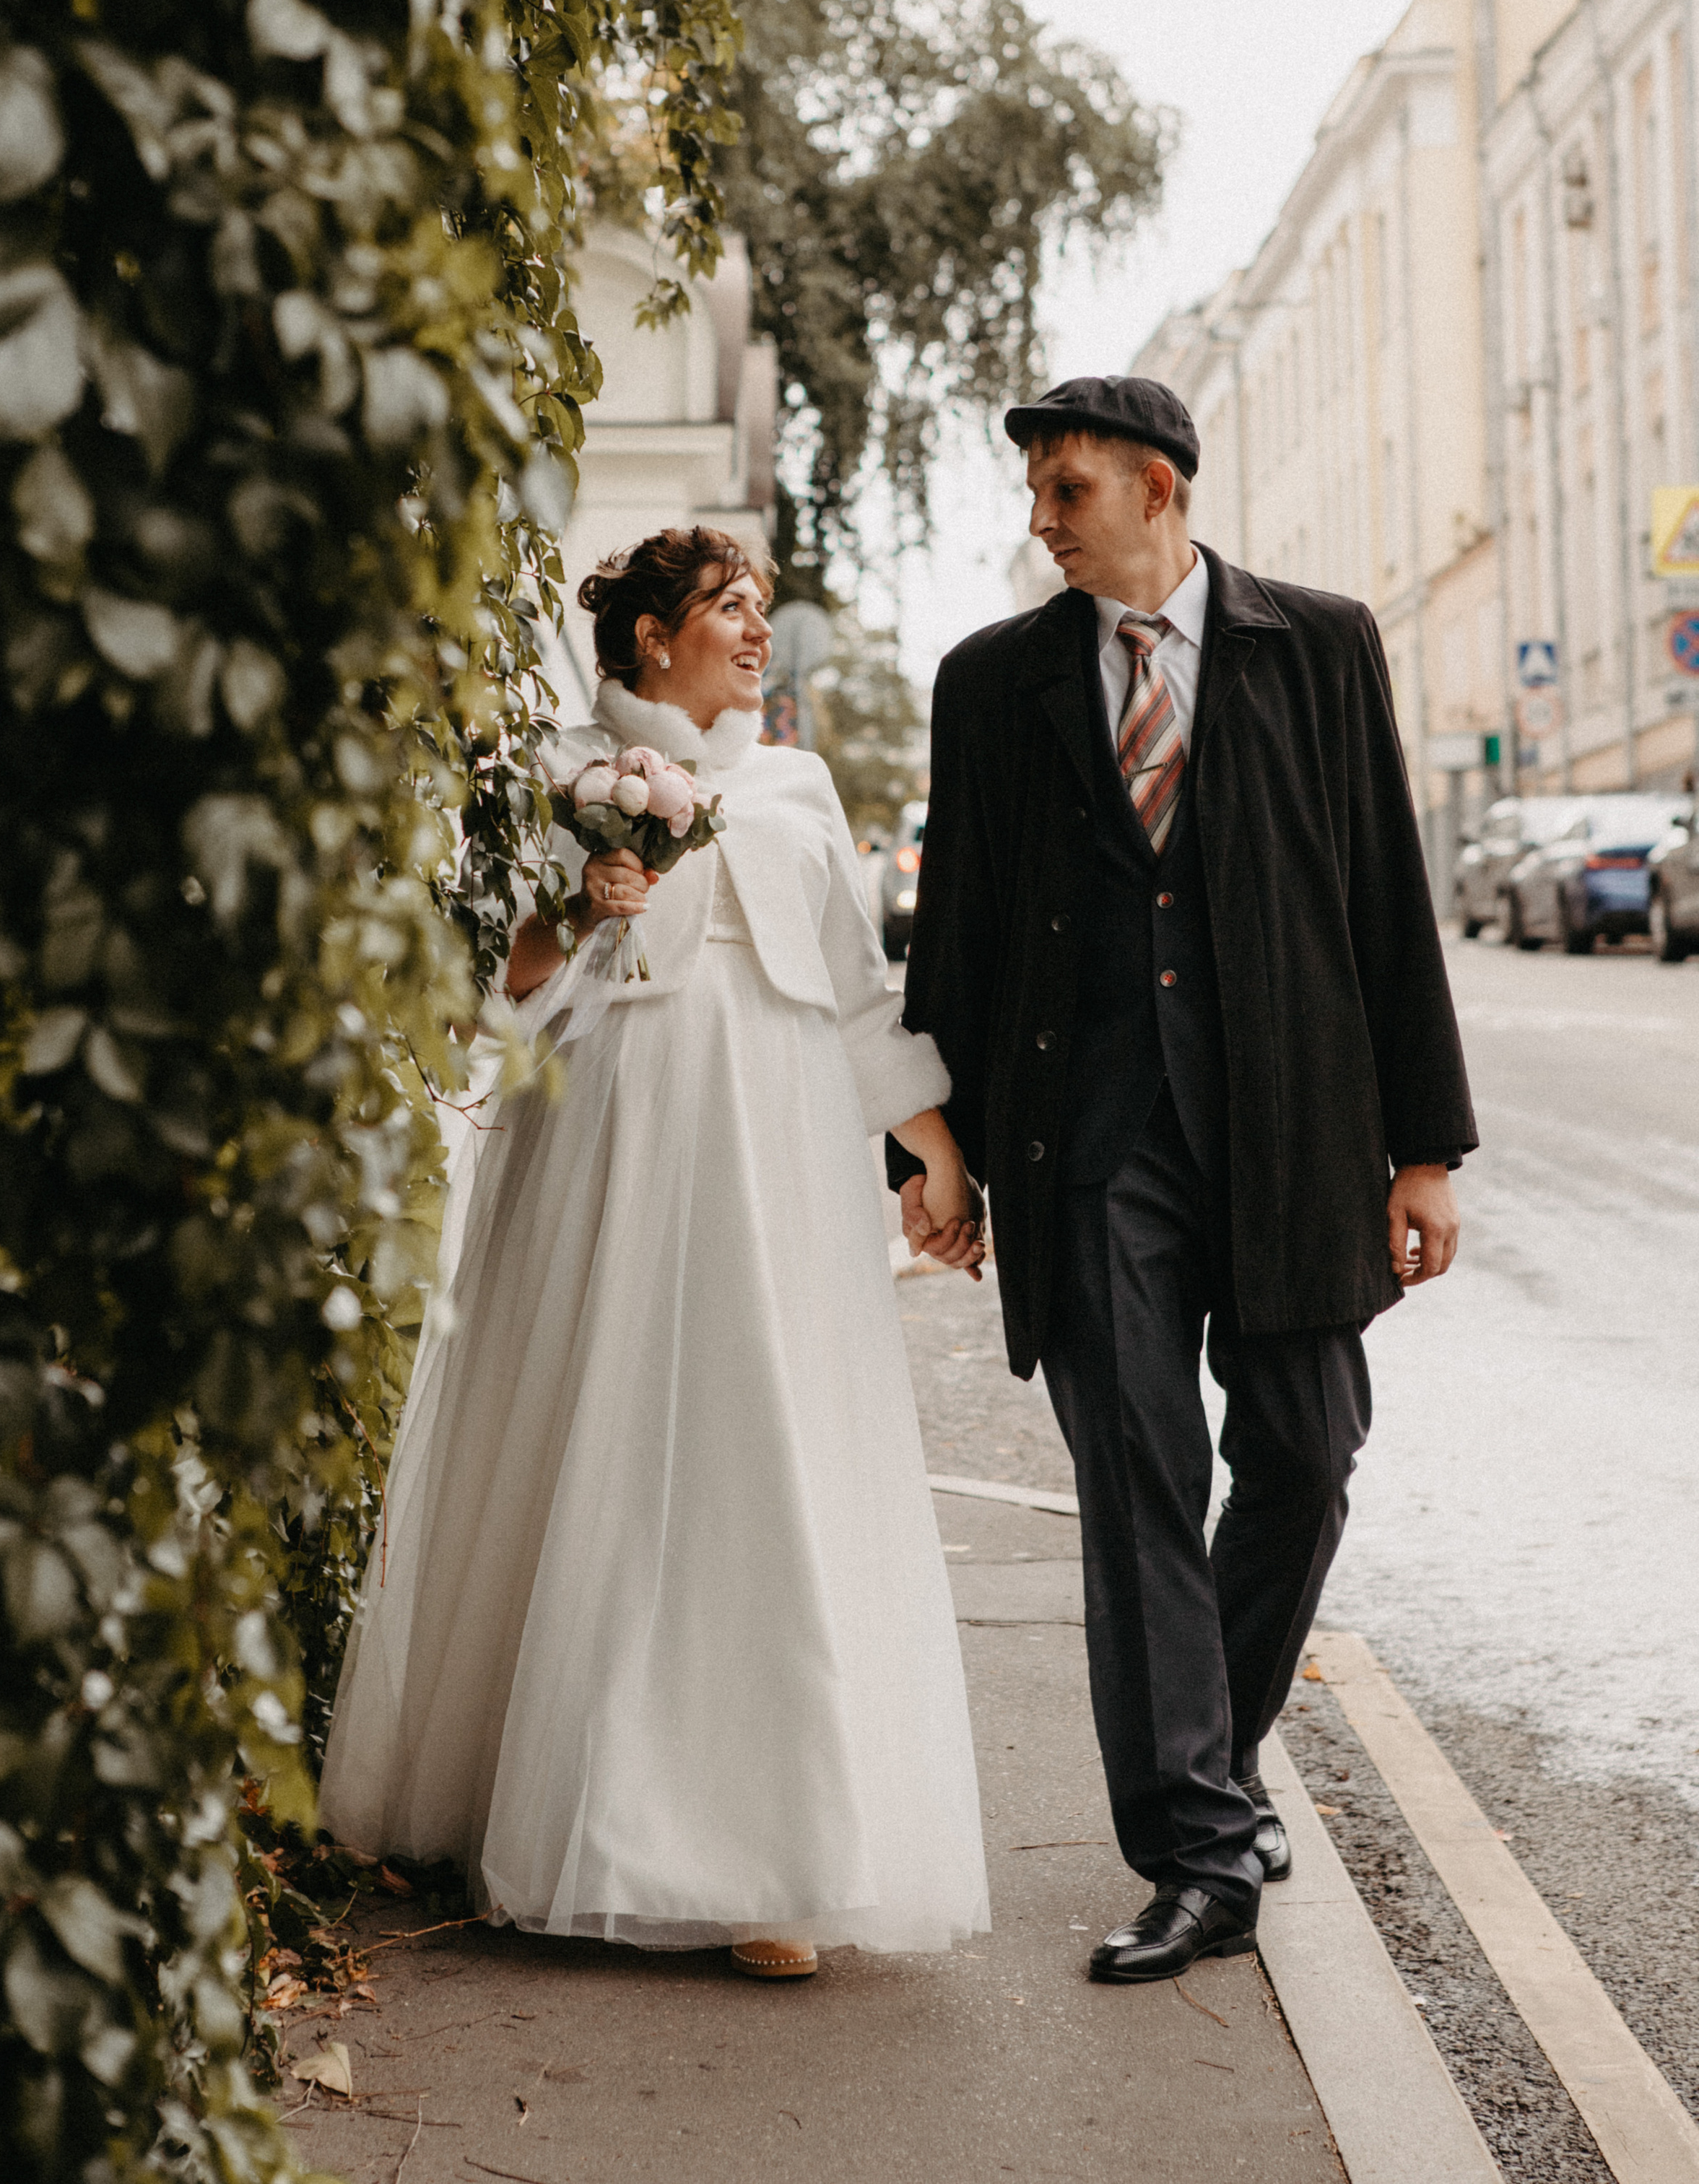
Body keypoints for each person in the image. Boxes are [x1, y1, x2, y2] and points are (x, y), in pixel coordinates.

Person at [318, 527, 991, 1980]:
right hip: (616, 1134)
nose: (754, 631)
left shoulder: (797, 783)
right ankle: (557, 1818)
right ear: (648, 640)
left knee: (766, 1447)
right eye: (727, 610)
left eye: (760, 610)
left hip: (780, 1147)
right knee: (599, 1440)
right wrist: (577, 907)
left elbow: (859, 998)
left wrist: (929, 1148)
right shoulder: (558, 775)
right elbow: (487, 988)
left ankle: (777, 1863)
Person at [891, 374, 1477, 1985]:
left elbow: (1380, 895)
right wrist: (929, 1152)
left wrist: (1418, 1147)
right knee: (1139, 1485)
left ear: (1157, 488)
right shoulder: (990, 682)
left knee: (1303, 1449)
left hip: (1289, 1131)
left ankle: (1205, 1758)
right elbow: (963, 930)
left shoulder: (1320, 646)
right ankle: (1197, 1851)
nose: (1040, 520)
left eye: (1065, 490)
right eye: (1032, 493)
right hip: (1086, 1146)